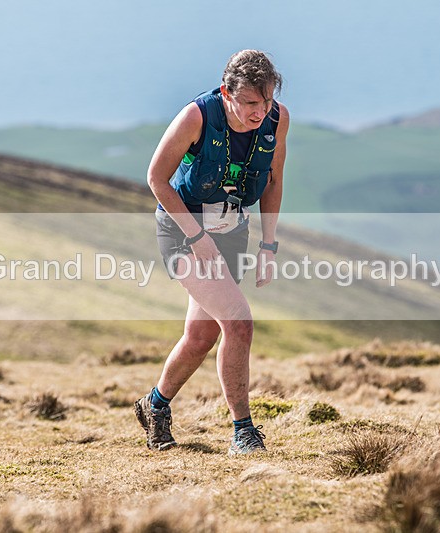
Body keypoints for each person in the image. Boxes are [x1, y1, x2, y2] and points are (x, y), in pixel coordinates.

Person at [134, 50, 289, 455]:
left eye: (268, 100)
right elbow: (156, 178)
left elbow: (273, 182)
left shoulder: (277, 119)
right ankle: (243, 430)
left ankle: (154, 405)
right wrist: (197, 237)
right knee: (239, 324)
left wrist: (268, 245)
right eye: (252, 102)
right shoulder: (196, 117)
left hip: (232, 230)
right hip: (183, 231)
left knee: (201, 335)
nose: (261, 111)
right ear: (228, 92)